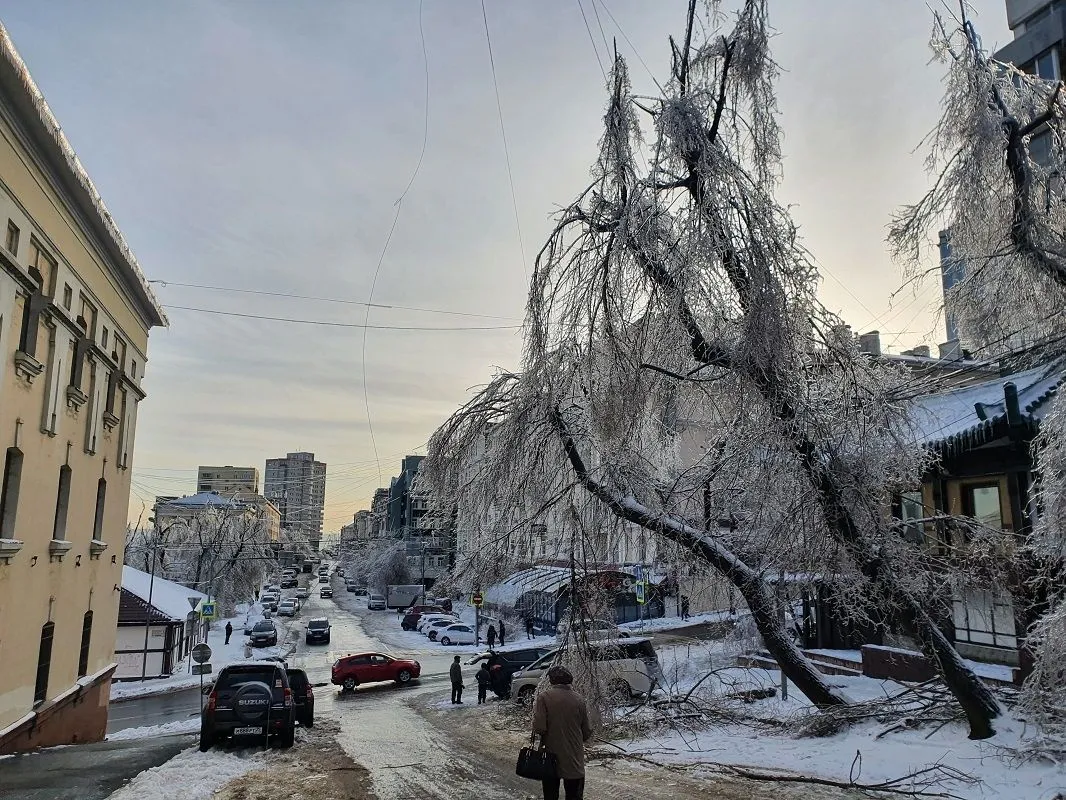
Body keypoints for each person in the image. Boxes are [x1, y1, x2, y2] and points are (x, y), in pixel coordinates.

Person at [532, 665, 592, 800]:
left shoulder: (544, 697)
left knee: (551, 794)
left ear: (552, 680)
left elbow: (539, 727)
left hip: (550, 754)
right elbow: (586, 731)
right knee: (574, 794)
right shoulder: (579, 699)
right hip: (574, 755)